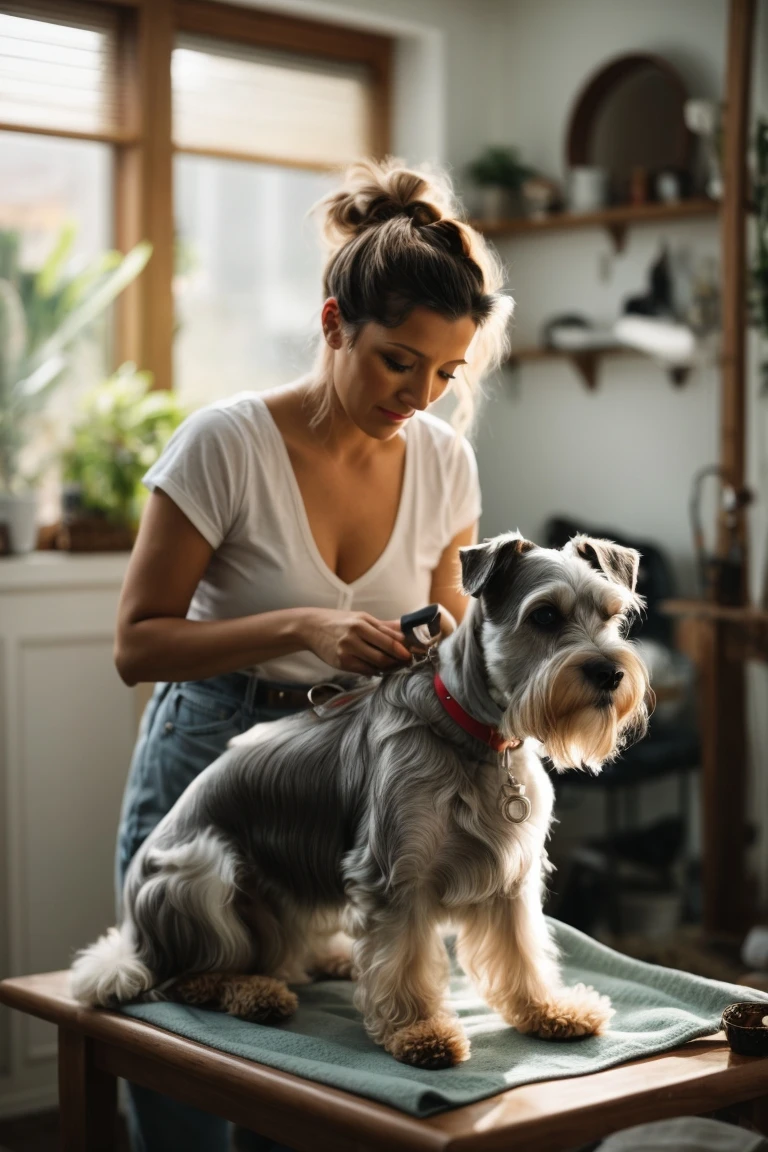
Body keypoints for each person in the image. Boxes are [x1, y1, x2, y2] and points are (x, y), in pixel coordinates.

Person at [112, 157, 514, 1152]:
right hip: (209, 752)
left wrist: (449, 652)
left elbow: (452, 627)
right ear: (335, 323)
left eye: (444, 373)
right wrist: (301, 626)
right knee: (183, 1063)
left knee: (308, 1084)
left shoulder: (443, 461)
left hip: (348, 773)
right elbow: (136, 643)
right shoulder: (224, 444)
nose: (418, 393)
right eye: (396, 360)